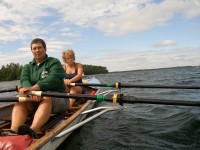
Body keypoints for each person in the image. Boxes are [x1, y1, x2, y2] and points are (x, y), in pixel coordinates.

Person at [2, 38, 69, 138]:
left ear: (45, 49)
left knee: (46, 96)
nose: (37, 50)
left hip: (59, 99)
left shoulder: (54, 62)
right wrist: (30, 92)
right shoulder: (27, 67)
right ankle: (13, 131)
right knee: (20, 96)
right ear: (32, 51)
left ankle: (32, 130)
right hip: (35, 98)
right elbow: (24, 80)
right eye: (34, 48)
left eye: (39, 48)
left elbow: (54, 78)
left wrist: (36, 89)